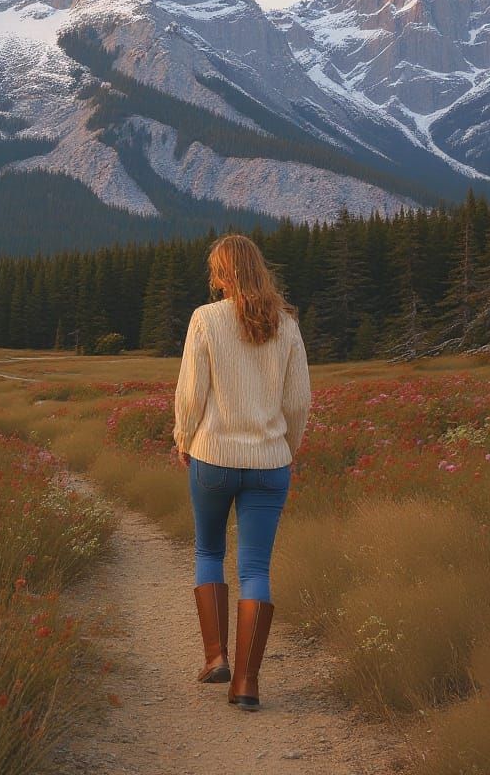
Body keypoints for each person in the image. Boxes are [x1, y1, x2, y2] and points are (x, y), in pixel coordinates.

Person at [172, 233, 311, 711]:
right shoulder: (287, 324)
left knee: (209, 550)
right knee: (255, 568)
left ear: (223, 274)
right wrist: (287, 447)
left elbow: (191, 392)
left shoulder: (205, 319)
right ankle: (247, 684)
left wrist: (183, 438)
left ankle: (216, 658)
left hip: (213, 457)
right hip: (270, 464)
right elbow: (298, 401)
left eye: (216, 270)